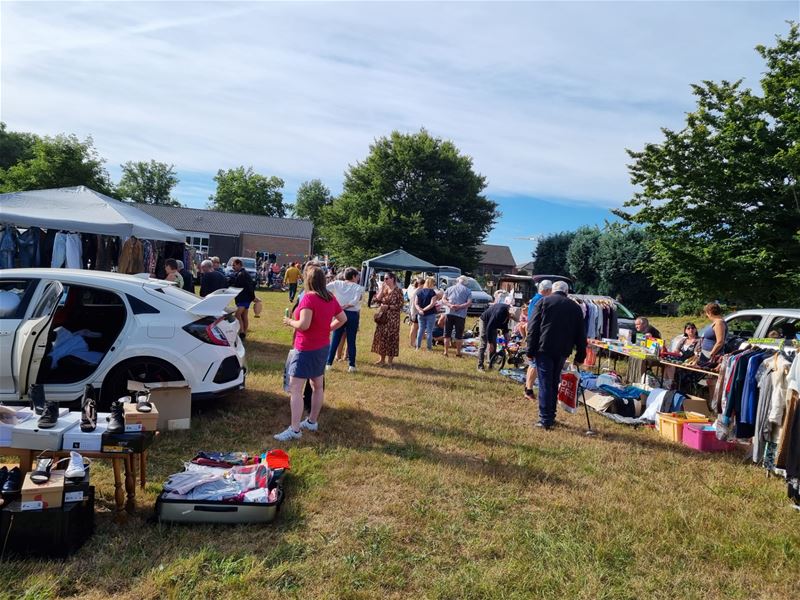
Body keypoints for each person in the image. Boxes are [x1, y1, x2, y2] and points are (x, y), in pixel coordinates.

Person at [275, 266, 347, 441]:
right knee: (317, 386)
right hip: (322, 346)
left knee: (296, 389)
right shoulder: (330, 297)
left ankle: (295, 429)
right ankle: (312, 421)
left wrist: (289, 321)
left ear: (308, 280)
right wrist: (327, 328)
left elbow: (304, 325)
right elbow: (342, 319)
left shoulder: (308, 298)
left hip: (305, 347)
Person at [525, 280, 587, 430]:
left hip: (544, 348)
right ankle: (550, 415)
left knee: (546, 383)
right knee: (553, 382)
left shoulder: (544, 302)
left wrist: (530, 350)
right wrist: (580, 355)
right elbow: (581, 333)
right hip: (563, 350)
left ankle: (545, 419)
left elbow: (533, 328)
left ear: (552, 290)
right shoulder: (575, 307)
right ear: (566, 292)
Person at [325, 267, 364, 373]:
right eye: (357, 276)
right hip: (352, 314)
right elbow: (355, 301)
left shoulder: (337, 283)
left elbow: (324, 288)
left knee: (335, 338)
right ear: (354, 276)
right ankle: (351, 365)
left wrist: (335, 302)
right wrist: (345, 306)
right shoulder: (358, 287)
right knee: (351, 340)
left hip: (339, 313)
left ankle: (329, 363)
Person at [524, 281, 553, 401]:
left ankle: (528, 388)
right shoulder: (541, 300)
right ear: (547, 290)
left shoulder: (536, 298)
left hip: (534, 333)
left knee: (534, 364)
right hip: (536, 335)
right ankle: (528, 390)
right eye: (551, 291)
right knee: (534, 364)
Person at [371, 271, 403, 367]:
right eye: (384, 279)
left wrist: (388, 307)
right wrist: (381, 291)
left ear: (392, 279)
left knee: (391, 338)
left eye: (386, 278)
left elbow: (400, 305)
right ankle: (381, 359)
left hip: (393, 318)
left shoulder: (398, 291)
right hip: (382, 317)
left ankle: (389, 361)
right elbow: (375, 300)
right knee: (381, 337)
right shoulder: (384, 289)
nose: (384, 280)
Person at [442, 275, 472, 357]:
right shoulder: (468, 291)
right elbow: (469, 303)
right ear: (465, 282)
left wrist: (449, 305)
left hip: (449, 312)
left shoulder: (450, 288)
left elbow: (443, 299)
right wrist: (459, 306)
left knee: (447, 333)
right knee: (459, 334)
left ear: (457, 281)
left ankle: (445, 352)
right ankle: (458, 353)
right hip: (460, 315)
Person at [477, 301, 511, 371]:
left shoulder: (507, 314)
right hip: (485, 321)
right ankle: (480, 366)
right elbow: (489, 327)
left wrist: (506, 336)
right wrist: (490, 342)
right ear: (509, 313)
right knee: (484, 343)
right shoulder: (499, 313)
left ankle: (490, 363)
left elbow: (504, 326)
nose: (511, 318)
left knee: (494, 344)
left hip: (492, 324)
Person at [229, 258, 256, 338]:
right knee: (244, 316)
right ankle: (244, 332)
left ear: (239, 265)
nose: (232, 267)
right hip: (246, 298)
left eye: (234, 265)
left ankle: (242, 332)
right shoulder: (242, 273)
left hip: (243, 299)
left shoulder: (242, 274)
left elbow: (246, 286)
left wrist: (253, 297)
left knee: (237, 315)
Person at [415, 277, 439, 351]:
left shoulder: (419, 292)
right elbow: (432, 304)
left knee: (420, 330)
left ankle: (417, 347)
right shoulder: (432, 292)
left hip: (420, 314)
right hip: (430, 314)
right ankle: (429, 348)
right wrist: (424, 310)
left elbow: (415, 303)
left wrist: (420, 310)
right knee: (429, 331)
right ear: (432, 284)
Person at [407, 278, 423, 348]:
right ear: (421, 284)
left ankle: (412, 342)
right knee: (414, 327)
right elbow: (415, 303)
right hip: (416, 312)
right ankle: (412, 343)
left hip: (413, 311)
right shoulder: (418, 291)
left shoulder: (415, 290)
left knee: (414, 327)